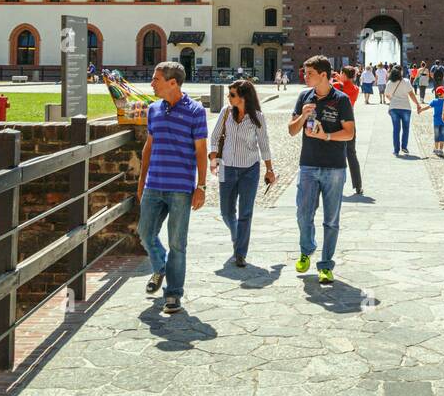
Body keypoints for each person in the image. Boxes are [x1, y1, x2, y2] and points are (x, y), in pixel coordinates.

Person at [137, 60, 208, 314]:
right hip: (154, 184)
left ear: (172, 83)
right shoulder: (154, 109)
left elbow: (201, 151)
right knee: (145, 233)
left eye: (156, 79)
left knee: (178, 242)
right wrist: (141, 180)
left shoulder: (196, 111)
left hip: (180, 187)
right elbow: (149, 147)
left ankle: (173, 294)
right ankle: (161, 267)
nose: (152, 84)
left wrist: (201, 186)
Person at [288, 56, 355, 283]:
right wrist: (303, 116)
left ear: (323, 75)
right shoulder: (303, 97)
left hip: (334, 167)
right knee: (303, 214)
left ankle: (325, 265)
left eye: (309, 74)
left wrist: (326, 135)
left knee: (331, 219)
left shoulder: (341, 100)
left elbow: (349, 133)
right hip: (308, 164)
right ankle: (307, 249)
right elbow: (291, 130)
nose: (305, 77)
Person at [209, 78, 276, 268]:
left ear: (243, 97)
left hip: (250, 169)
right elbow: (214, 138)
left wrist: (269, 169)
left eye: (232, 95)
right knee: (225, 211)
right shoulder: (225, 113)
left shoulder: (257, 117)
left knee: (245, 212)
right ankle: (237, 236)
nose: (228, 98)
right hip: (226, 167)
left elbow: (264, 144)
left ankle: (240, 253)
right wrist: (213, 161)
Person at [333, 64, 363, 196]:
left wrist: (338, 80)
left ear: (344, 75)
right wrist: (342, 79)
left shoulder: (336, 86)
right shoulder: (356, 89)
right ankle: (358, 185)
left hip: (336, 122)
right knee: (351, 154)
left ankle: (335, 184)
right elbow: (346, 87)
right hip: (350, 122)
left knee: (335, 154)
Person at [385, 65, 424, 155]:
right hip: (405, 108)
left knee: (396, 129)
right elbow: (411, 94)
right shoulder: (406, 81)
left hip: (394, 108)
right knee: (406, 128)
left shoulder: (389, 83)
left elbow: (387, 94)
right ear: (401, 72)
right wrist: (417, 104)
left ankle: (396, 150)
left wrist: (393, 100)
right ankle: (404, 147)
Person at [429, 84, 444, 157]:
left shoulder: (434, 101)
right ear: (443, 93)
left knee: (436, 136)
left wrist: (421, 109)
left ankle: (436, 149)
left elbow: (428, 107)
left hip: (436, 122)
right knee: (442, 136)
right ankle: (440, 150)